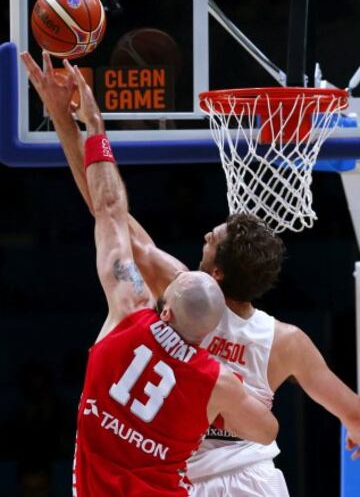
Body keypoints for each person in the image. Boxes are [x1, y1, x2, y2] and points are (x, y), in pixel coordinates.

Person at [21, 51, 360, 496]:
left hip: (181, 477)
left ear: (215, 273)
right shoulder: (287, 341)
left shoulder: (175, 288)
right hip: (254, 479)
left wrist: (74, 125)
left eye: (211, 238)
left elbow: (108, 211)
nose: (204, 233)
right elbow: (344, 415)